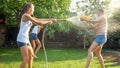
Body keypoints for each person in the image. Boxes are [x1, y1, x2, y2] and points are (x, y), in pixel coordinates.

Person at [17, 2, 56, 68]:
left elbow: (40, 19)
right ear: (29, 8)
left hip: (26, 40)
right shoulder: (25, 15)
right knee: (25, 58)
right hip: (21, 39)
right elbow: (38, 22)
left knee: (31, 56)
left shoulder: (30, 17)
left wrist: (51, 19)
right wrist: (48, 22)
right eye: (33, 8)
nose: (34, 9)